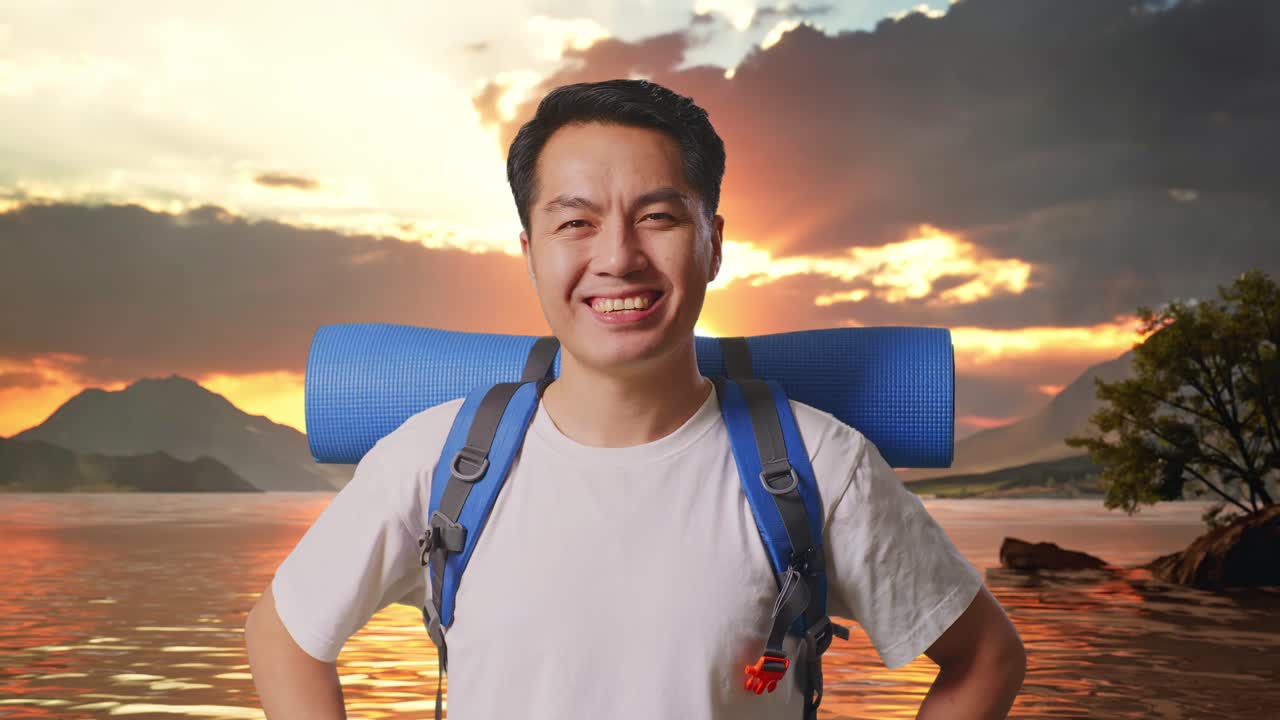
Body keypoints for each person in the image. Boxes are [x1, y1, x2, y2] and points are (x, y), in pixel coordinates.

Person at [244, 78, 1026, 719]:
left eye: (657, 217)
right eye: (575, 222)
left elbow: (986, 657)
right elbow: (281, 635)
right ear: (530, 253)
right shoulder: (439, 460)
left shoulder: (821, 466)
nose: (618, 257)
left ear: (713, 242)